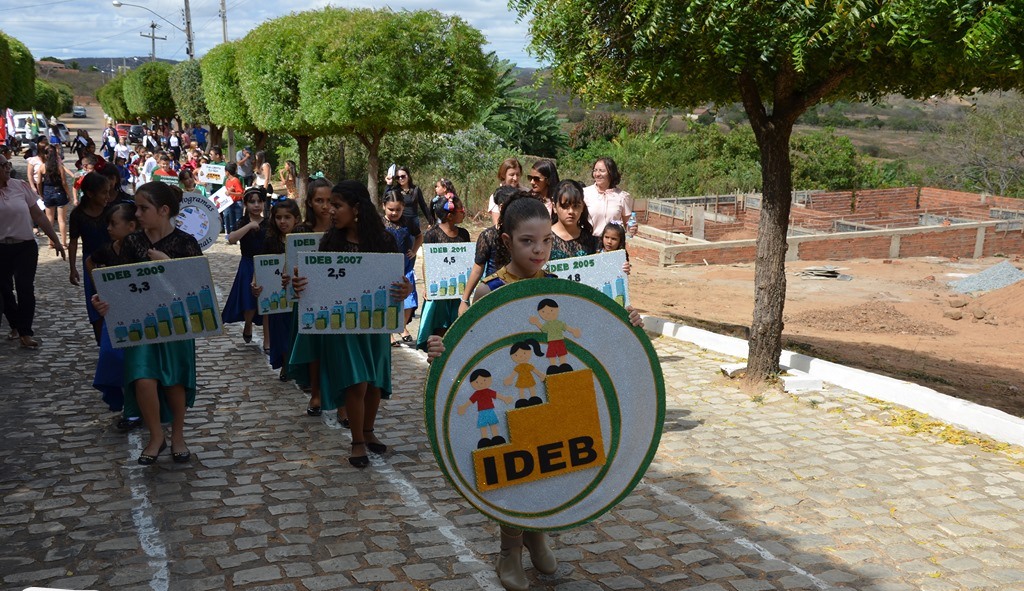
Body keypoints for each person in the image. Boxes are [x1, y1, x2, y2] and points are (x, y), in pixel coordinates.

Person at [431, 192, 644, 591]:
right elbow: (472, 351)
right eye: (527, 241)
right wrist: (441, 351)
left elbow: (592, 335)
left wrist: (625, 321)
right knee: (513, 471)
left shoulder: (557, 287)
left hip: (553, 389)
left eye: (545, 240)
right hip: (509, 396)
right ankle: (509, 549)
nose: (539, 249)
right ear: (507, 241)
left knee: (547, 465)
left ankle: (538, 533)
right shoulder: (489, 290)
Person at [289, 181, 412, 468]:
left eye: (337, 205)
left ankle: (368, 431)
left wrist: (404, 289)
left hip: (375, 324)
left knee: (375, 383)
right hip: (343, 326)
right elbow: (317, 283)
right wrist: (300, 285)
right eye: (329, 205)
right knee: (356, 382)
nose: (330, 210)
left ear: (356, 209)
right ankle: (357, 441)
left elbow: (398, 280)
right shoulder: (330, 242)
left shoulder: (384, 241)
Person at [91, 182, 203, 466]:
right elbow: (121, 284)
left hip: (176, 323)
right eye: (136, 208)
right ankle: (156, 436)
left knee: (174, 380)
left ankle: (178, 436)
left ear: (163, 210)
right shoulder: (132, 242)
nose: (137, 214)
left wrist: (167, 263)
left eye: (143, 208)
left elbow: (198, 289)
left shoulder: (186, 242)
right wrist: (104, 303)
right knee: (142, 378)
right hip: (141, 323)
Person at [0, 153, 66, 349]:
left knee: (25, 288)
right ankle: (15, 324)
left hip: (25, 246)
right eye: (3, 165)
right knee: (4, 290)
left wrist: (56, 240)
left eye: (8, 164)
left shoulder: (19, 186)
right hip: (1, 248)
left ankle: (25, 332)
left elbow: (38, 215)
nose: (7, 167)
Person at [87, 203, 139, 428]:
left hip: (137, 313)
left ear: (131, 226)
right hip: (115, 313)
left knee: (136, 361)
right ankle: (126, 402)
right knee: (112, 356)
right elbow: (90, 261)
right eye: (107, 223)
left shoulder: (140, 250)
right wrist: (100, 286)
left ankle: (135, 408)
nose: (108, 228)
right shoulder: (107, 249)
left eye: (113, 224)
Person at [253, 199, 302, 379]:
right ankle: (285, 364)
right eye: (278, 217)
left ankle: (298, 367)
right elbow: (261, 264)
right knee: (280, 331)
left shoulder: (302, 240)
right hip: (277, 296)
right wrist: (254, 282)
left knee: (296, 331)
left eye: (287, 217)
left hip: (297, 295)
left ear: (296, 219)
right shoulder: (270, 240)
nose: (282, 221)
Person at [415, 188, 469, 351]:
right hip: (439, 289)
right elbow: (427, 262)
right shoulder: (432, 234)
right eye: (461, 210)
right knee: (439, 326)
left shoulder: (464, 234)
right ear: (450, 216)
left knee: (456, 327)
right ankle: (437, 359)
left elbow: (466, 260)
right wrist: (427, 285)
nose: (464, 212)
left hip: (458, 289)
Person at [68, 172, 115, 343]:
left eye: (108, 192)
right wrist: (72, 268)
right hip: (91, 262)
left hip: (112, 259)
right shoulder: (78, 215)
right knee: (95, 299)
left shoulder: (110, 211)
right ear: (90, 194)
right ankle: (101, 341)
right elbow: (73, 242)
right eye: (103, 193)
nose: (107, 196)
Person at [459, 185, 515, 317]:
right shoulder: (488, 236)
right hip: (493, 291)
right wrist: (464, 300)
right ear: (501, 207)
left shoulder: (524, 234)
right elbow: (477, 269)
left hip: (518, 292)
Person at [222, 188, 266, 347]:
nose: (256, 205)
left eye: (259, 201)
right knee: (248, 298)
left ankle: (267, 338)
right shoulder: (242, 222)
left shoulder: (269, 222)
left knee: (266, 299)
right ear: (246, 204)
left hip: (265, 264)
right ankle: (248, 324)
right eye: (252, 202)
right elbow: (231, 239)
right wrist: (249, 226)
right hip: (248, 264)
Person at [381, 191, 422, 346]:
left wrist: (414, 250)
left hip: (405, 265)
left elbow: (419, 236)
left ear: (403, 207)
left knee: (409, 300)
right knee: (389, 298)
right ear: (383, 206)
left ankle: (401, 326)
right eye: (391, 209)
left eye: (398, 209)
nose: (394, 213)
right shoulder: (378, 223)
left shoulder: (408, 222)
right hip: (385, 267)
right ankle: (389, 333)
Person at [584, 157, 636, 237]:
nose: (597, 174)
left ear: (611, 173)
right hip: (588, 241)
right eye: (595, 170)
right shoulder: (584, 193)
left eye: (602, 171)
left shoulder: (622, 197)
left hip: (611, 242)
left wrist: (632, 229)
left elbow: (628, 226)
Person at [549, 180, 598, 260]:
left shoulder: (592, 241)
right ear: (554, 207)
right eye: (565, 206)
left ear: (582, 207)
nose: (571, 211)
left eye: (576, 206)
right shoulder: (544, 239)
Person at [37, 145, 73, 250]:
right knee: (62, 220)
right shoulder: (59, 167)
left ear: (45, 155)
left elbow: (39, 182)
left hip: (47, 192)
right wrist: (69, 194)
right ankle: (64, 243)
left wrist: (41, 194)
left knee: (49, 219)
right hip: (59, 191)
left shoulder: (42, 167)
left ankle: (51, 242)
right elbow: (64, 182)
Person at [486, 157, 522, 225]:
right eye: (511, 175)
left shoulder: (526, 192)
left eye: (517, 174)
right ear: (503, 175)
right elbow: (497, 225)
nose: (515, 178)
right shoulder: (496, 197)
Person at [222, 162, 245, 234]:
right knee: (229, 219)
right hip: (229, 203)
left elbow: (241, 194)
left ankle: (238, 235)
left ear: (227, 172)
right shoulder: (227, 180)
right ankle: (230, 234)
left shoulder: (236, 180)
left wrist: (231, 193)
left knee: (238, 221)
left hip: (237, 203)